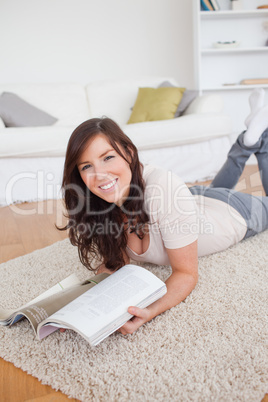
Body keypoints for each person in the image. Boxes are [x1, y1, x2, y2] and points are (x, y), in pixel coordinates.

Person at [59, 89, 268, 336]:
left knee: (231, 194)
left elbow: (186, 274)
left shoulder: (163, 187)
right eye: (86, 166)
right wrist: (79, 306)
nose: (99, 175)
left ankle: (256, 142)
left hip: (233, 213)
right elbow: (114, 264)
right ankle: (248, 142)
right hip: (193, 199)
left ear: (129, 151)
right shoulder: (102, 201)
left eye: (108, 157)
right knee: (215, 189)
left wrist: (149, 311)